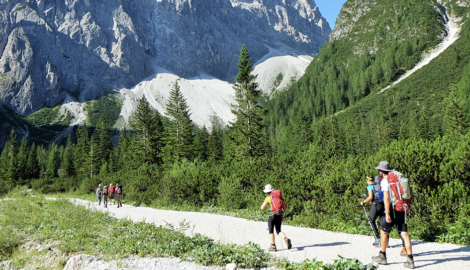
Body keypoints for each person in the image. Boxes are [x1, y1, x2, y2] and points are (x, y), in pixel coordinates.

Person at [372, 161, 415, 269]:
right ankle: (410, 260)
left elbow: (386, 198)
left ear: (381, 171)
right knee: (404, 232)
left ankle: (382, 255)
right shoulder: (398, 179)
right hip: (402, 207)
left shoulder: (385, 181)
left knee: (384, 231)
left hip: (392, 209)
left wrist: (387, 213)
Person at [260, 184, 292, 252]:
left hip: (272, 216)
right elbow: (282, 208)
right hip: (279, 215)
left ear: (266, 192)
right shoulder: (278, 197)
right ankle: (285, 238)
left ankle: (273, 246)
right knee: (278, 231)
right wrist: (282, 217)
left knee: (271, 231)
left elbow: (262, 208)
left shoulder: (268, 198)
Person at [361, 175, 381, 246]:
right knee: (382, 221)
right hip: (382, 204)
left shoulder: (369, 186)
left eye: (366, 180)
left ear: (368, 180)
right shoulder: (377, 185)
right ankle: (385, 240)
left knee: (371, 220)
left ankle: (377, 238)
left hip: (375, 204)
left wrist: (363, 202)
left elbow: (370, 197)